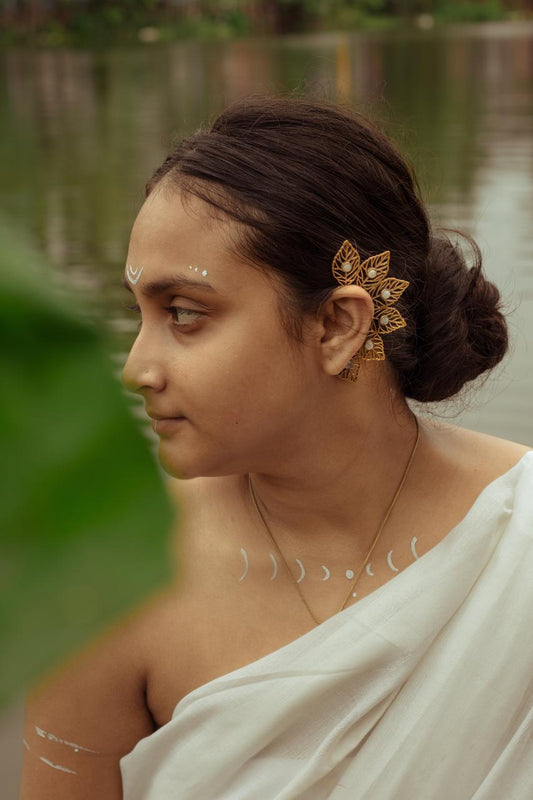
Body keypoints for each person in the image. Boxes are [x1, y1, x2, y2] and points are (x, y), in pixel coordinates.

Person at [20, 96, 532, 799]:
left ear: (337, 325)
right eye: (140, 315)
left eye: (183, 314)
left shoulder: (518, 540)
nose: (136, 368)